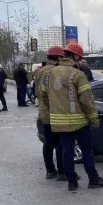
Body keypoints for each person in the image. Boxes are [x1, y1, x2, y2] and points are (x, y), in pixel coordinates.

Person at [39, 42, 103, 191]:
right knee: (86, 151)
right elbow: (87, 100)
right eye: (80, 58)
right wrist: (94, 119)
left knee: (67, 151)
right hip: (79, 121)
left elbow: (43, 95)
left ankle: (71, 182)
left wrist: (53, 109)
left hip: (59, 122)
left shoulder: (50, 73)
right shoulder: (78, 74)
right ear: (76, 56)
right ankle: (93, 179)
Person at [35, 46, 67, 180]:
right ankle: (61, 172)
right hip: (54, 111)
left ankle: (50, 171)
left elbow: (37, 92)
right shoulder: (55, 71)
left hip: (43, 112)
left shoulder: (40, 71)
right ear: (58, 57)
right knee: (60, 143)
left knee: (48, 143)